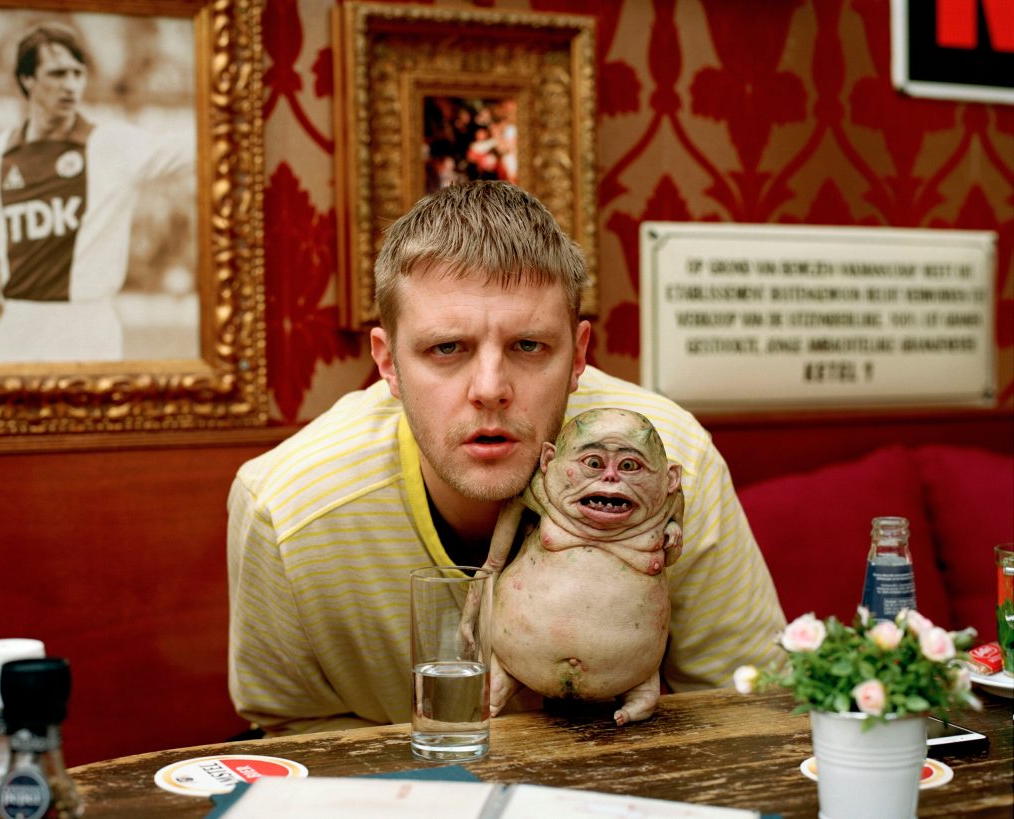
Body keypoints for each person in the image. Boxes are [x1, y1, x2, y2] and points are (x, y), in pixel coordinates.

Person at [226, 180, 786, 736]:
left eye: (528, 346)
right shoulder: (284, 509)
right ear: (388, 362)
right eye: (446, 348)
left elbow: (747, 705)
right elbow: (296, 728)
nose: (490, 389)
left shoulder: (665, 461)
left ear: (578, 355)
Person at [0, 22, 194, 363]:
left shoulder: (111, 145)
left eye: (77, 73)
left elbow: (196, 146)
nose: (71, 85)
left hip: (87, 326)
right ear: (28, 80)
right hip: (18, 326)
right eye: (57, 74)